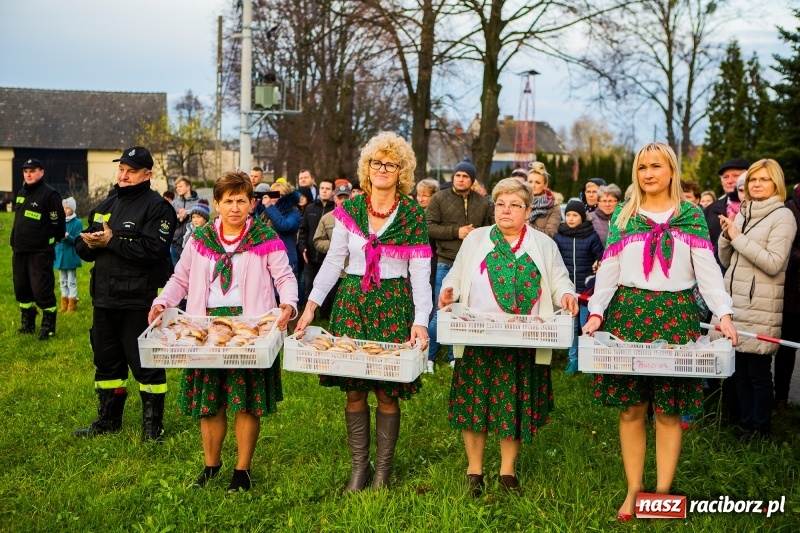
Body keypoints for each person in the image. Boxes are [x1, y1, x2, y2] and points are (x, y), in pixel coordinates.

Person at [582, 142, 737, 521]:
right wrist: (597, 312)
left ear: (671, 171)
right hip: (630, 315)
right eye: (642, 168)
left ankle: (662, 495)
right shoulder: (625, 214)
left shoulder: (691, 216)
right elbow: (611, 269)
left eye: (656, 166)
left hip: (676, 316)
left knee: (669, 410)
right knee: (633, 408)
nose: (648, 174)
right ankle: (634, 489)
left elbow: (708, 271)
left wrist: (724, 313)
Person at [295, 131, 432, 492]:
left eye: (391, 163)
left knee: (387, 391)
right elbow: (333, 262)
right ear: (367, 168)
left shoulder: (413, 215)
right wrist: (311, 305)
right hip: (353, 302)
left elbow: (421, 274)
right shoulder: (350, 210)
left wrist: (420, 320)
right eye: (376, 162)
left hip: (393, 304)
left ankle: (382, 472)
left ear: (401, 171)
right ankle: (360, 469)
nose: (382, 169)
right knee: (354, 389)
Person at [149, 170, 296, 492]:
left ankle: (242, 470)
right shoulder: (201, 241)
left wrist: (288, 304)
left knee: (245, 400)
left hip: (250, 331)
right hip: (206, 328)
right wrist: (162, 303)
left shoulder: (265, 238)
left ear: (251, 204)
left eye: (241, 200)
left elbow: (284, 277)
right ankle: (211, 465)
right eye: (228, 201)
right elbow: (180, 279)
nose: (234, 207)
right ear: (216, 204)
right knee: (211, 401)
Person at [438, 178, 578, 495]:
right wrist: (449, 291)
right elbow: (456, 275)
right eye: (501, 203)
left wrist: (567, 295)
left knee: (512, 404)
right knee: (475, 403)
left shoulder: (543, 245)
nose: (506, 210)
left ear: (527, 211)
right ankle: (474, 471)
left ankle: (507, 471)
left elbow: (559, 281)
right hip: (478, 334)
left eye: (515, 205)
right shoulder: (476, 239)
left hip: (523, 339)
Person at [73, 146, 177, 441]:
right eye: (122, 169)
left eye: (131, 171)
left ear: (147, 175)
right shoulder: (106, 203)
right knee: (107, 363)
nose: (124, 175)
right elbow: (83, 246)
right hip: (103, 299)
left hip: (137, 302)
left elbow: (153, 250)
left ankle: (152, 427)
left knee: (146, 365)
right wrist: (89, 243)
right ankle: (108, 420)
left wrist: (111, 241)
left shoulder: (158, 208)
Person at [717, 159, 797, 442]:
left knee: (758, 373)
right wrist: (727, 237)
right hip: (735, 303)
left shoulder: (783, 216)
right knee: (739, 372)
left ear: (776, 183)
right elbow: (727, 260)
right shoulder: (744, 212)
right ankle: (745, 424)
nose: (757, 184)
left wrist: (737, 237)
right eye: (752, 180)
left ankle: (760, 429)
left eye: (764, 179)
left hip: (760, 306)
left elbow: (774, 263)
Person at [426, 157, 493, 372]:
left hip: (473, 265)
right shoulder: (439, 198)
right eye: (458, 175)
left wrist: (477, 236)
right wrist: (458, 232)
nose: (461, 179)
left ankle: (456, 357)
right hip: (446, 262)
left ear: (472, 180)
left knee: (465, 313)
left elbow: (490, 230)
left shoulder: (483, 202)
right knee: (441, 312)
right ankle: (429, 357)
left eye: (465, 176)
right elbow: (428, 227)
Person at [11, 158, 66, 339]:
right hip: (19, 250)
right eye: (26, 171)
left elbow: (58, 224)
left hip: (39, 251)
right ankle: (27, 324)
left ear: (41, 172)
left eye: (32, 171)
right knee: (22, 288)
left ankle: (48, 326)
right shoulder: (21, 193)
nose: (28, 174)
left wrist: (51, 242)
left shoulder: (50, 195)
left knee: (41, 289)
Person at [553, 200, 604, 374]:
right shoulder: (559, 236)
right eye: (568, 215)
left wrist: (598, 266)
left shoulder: (591, 236)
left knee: (585, 326)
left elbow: (600, 257)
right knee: (570, 328)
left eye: (575, 215)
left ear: (582, 217)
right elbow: (555, 260)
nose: (571, 218)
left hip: (585, 292)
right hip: (568, 292)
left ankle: (588, 361)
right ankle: (573, 360)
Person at [774, 182, 800, 411]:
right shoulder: (789, 209)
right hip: (792, 292)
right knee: (786, 349)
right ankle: (781, 397)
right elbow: (782, 250)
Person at [298, 179, 335, 317]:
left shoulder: (335, 210)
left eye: (328, 188)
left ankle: (325, 317)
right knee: (309, 286)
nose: (324, 190)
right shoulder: (310, 208)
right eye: (322, 188)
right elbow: (303, 231)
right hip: (311, 256)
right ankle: (309, 315)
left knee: (327, 289)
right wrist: (303, 248)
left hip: (327, 257)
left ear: (332, 192)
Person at [705, 158, 749, 269]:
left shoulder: (759, 208)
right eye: (725, 177)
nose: (729, 181)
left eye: (735, 175)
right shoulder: (710, 210)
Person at [260, 181, 302, 275]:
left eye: (280, 195)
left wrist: (269, 207)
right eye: (273, 194)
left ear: (287, 197)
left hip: (286, 259)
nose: (275, 198)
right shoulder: (266, 213)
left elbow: (284, 226)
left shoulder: (294, 213)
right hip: (267, 259)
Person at [416, 179, 441, 323]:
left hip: (433, 257)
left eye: (425, 195)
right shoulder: (417, 212)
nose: (420, 198)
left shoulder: (435, 214)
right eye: (419, 195)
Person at [55, 197, 84, 313]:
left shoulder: (77, 223)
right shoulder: (59, 221)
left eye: (68, 208)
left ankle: (72, 305)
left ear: (72, 209)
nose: (65, 210)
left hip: (70, 256)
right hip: (60, 255)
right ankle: (64, 304)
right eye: (64, 208)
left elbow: (77, 240)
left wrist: (67, 236)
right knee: (62, 281)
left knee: (71, 280)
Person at [527, 161, 561, 238]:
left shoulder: (553, 207)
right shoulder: (520, 203)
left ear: (545, 185)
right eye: (530, 182)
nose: (533, 185)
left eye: (537, 182)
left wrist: (528, 226)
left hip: (541, 247)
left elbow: (551, 234)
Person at [171, 176, 200, 265]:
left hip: (193, 242)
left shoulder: (198, 202)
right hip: (176, 243)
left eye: (180, 186)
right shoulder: (174, 204)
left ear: (188, 187)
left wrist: (188, 217)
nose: (178, 189)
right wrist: (180, 219)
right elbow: (169, 224)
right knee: (177, 271)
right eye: (177, 187)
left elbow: (203, 221)